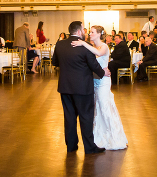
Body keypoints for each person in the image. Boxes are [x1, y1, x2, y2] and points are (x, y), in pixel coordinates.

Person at [52, 21, 110, 154]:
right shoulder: (86, 46)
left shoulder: (60, 44)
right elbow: (94, 65)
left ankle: (71, 146)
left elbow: (55, 62)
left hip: (65, 87)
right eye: (84, 30)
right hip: (83, 88)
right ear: (79, 32)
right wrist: (103, 73)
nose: (85, 32)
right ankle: (89, 148)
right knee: (86, 117)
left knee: (69, 117)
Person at [70, 25, 128, 150]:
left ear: (99, 34)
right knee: (97, 109)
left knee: (105, 106)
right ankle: (99, 136)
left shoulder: (104, 46)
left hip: (103, 82)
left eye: (92, 32)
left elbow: (99, 53)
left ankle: (115, 137)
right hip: (94, 81)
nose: (90, 34)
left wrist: (83, 44)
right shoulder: (93, 47)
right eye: (89, 32)